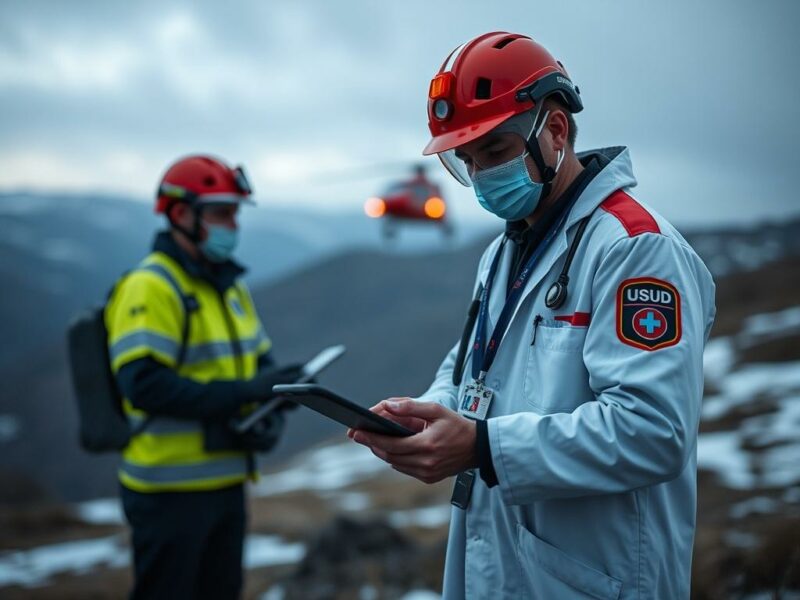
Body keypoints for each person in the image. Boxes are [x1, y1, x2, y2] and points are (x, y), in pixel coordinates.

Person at [350, 32, 716, 599]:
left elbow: (653, 432)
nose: (481, 177)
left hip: (598, 577)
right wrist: (427, 415)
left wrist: (482, 446)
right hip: (503, 568)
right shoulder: (503, 253)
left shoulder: (636, 250)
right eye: (467, 161)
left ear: (556, 130)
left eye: (495, 151)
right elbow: (472, 368)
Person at [106, 155, 301, 600]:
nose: (233, 225)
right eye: (221, 213)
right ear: (180, 214)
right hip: (168, 491)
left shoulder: (230, 287)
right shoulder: (151, 285)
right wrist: (245, 393)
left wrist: (272, 400)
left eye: (234, 213)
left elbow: (259, 363)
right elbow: (144, 386)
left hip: (227, 481)